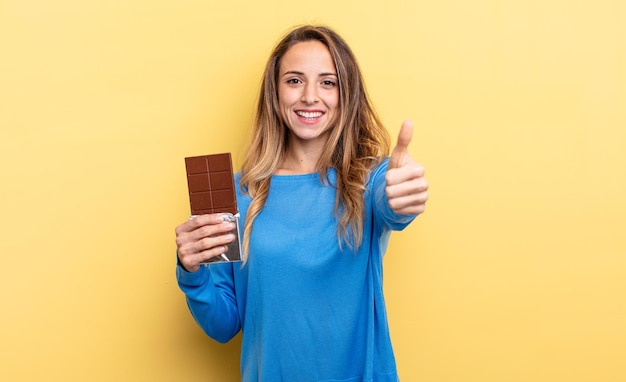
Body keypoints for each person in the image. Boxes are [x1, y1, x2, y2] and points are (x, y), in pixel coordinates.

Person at [175, 25, 429, 382]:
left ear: (346, 94)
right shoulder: (230, 191)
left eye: (328, 82)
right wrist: (192, 271)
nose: (310, 96)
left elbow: (393, 206)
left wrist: (403, 196)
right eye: (294, 80)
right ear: (275, 93)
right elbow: (223, 324)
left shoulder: (370, 180)